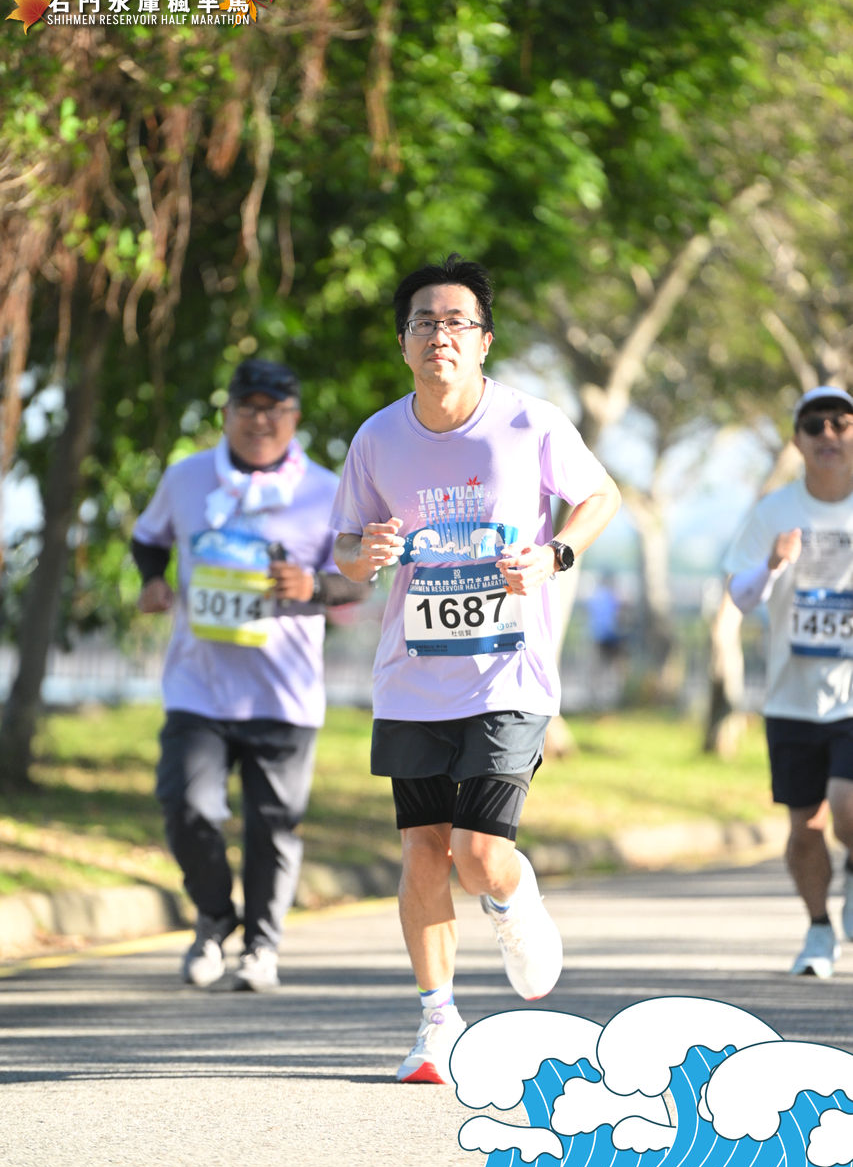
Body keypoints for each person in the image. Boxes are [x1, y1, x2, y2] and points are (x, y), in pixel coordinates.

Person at [331, 253, 621, 1083]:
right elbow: (346, 548)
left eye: (457, 322)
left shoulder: (530, 422)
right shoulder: (377, 437)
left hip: (508, 674)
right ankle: (437, 1022)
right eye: (424, 322)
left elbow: (598, 496)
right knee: (424, 850)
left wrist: (555, 554)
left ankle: (513, 899)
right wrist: (366, 551)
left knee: (479, 852)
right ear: (403, 343)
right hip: (411, 677)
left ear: (484, 341)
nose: (440, 336)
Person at [132, 358, 368, 991]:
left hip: (283, 692)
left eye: (275, 410)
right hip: (198, 685)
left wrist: (312, 585)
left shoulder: (326, 489)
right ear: (227, 413)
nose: (260, 421)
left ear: (294, 417)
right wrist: (152, 581)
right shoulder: (187, 477)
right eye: (248, 408)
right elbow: (149, 538)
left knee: (273, 826)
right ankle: (214, 918)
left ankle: (261, 947)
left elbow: (359, 581)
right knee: (185, 805)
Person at [724, 385, 853, 979]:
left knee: (846, 807)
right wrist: (773, 564)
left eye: (840, 423)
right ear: (798, 440)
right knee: (805, 830)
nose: (828, 434)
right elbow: (740, 595)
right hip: (791, 698)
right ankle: (819, 929)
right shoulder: (774, 511)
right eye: (814, 425)